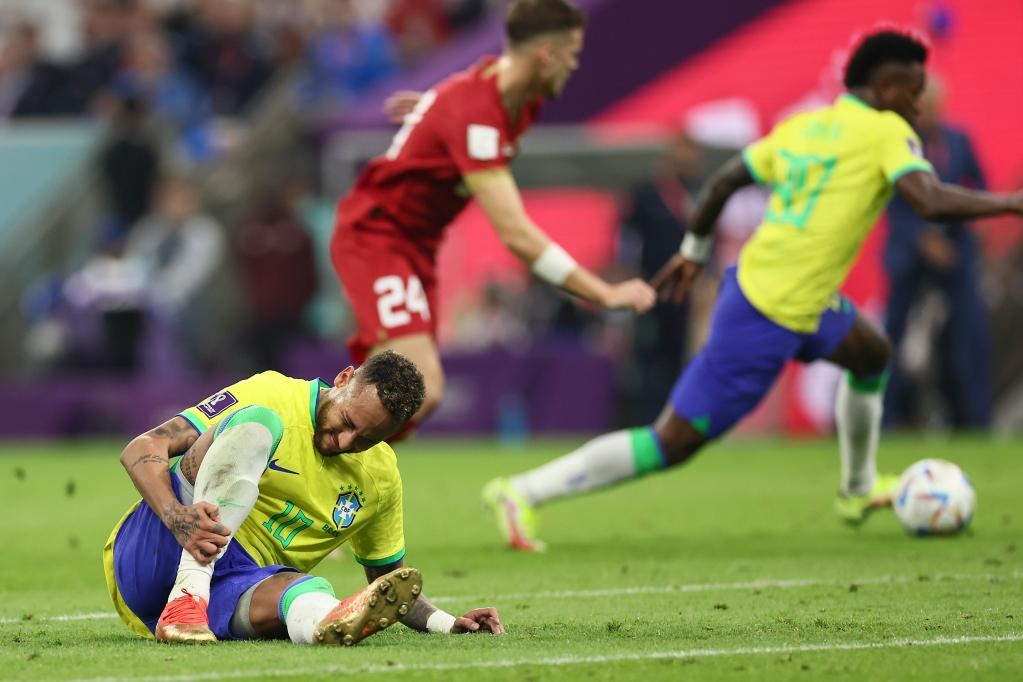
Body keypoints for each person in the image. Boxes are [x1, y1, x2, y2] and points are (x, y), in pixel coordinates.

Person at [482, 29, 1023, 551]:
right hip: (768, 312)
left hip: (799, 296)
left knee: (871, 355)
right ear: (885, 88)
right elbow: (928, 200)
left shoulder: (806, 126)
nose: (919, 102)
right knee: (670, 442)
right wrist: (1010, 203)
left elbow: (723, 182)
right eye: (913, 89)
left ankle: (858, 489)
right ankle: (522, 491)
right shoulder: (886, 130)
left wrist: (694, 251)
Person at [331, 0, 655, 438]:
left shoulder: (514, 102)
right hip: (378, 237)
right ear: (545, 55)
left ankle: (343, 467)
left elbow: (460, 107)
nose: (574, 65)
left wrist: (435, 113)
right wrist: (604, 292)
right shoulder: (479, 114)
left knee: (393, 393)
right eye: (571, 53)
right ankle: (296, 431)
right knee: (419, 389)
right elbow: (516, 234)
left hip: (414, 248)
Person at [104, 350, 503, 644]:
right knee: (257, 422)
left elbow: (388, 584)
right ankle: (189, 590)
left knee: (310, 593)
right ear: (343, 379)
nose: (344, 442)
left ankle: (320, 624)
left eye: (365, 440)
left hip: (235, 588)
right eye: (347, 422)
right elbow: (143, 448)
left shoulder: (380, 478)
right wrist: (176, 517)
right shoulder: (272, 392)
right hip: (159, 548)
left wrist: (447, 623)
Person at [883, 78, 992, 429]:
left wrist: (971, 226)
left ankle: (974, 419)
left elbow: (979, 185)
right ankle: (884, 417)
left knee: (968, 333)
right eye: (922, 106)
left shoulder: (958, 140)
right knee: (893, 336)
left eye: (934, 105)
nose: (928, 112)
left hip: (954, 251)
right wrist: (921, 238)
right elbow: (890, 198)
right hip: (910, 254)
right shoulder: (899, 143)